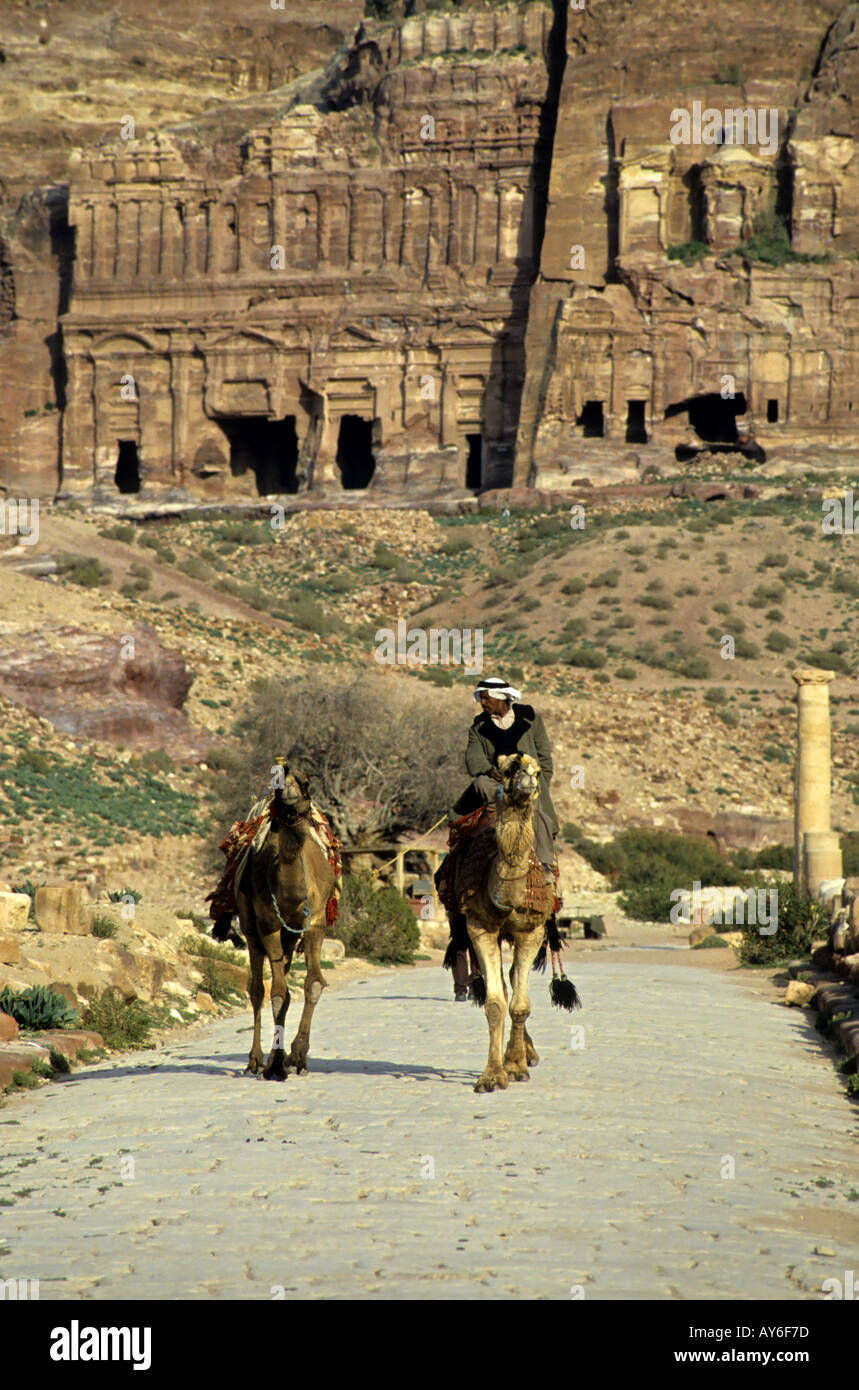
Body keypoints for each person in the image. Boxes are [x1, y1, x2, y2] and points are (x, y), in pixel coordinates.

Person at [444, 676, 560, 1000]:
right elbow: (473, 762)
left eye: (486, 698)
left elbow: (545, 760)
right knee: (475, 813)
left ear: (502, 698)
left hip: (528, 786)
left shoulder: (529, 718)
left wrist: (535, 783)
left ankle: (546, 868)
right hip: (494, 785)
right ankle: (460, 877)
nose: (482, 702)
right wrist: (497, 773)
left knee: (540, 821)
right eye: (480, 697)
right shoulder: (479, 726)